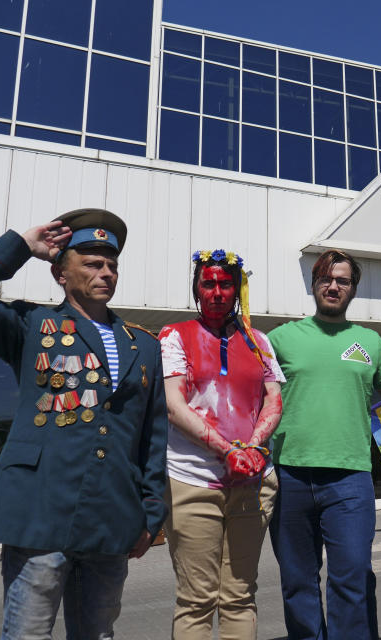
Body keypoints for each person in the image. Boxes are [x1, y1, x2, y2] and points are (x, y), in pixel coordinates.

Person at [0, 209, 168, 639]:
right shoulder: (31, 326)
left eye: (112, 265)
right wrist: (22, 246)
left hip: (112, 518)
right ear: (61, 272)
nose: (107, 272)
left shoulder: (144, 345)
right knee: (28, 633)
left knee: (97, 634)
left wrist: (152, 512)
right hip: (40, 512)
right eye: (93, 264)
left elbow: (152, 437)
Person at [268, 249, 381, 640]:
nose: (333, 286)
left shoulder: (371, 343)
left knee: (353, 576)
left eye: (342, 280)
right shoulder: (280, 339)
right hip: (290, 474)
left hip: (351, 479)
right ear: (313, 284)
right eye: (326, 278)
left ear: (353, 289)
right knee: (297, 582)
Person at [159, 249, 285, 639]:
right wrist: (228, 450)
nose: (216, 292)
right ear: (196, 290)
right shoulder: (174, 336)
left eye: (225, 283)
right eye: (208, 283)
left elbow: (274, 400)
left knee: (240, 595)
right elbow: (174, 406)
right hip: (192, 481)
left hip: (253, 484)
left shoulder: (259, 339)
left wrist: (251, 448)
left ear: (237, 289)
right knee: (196, 600)